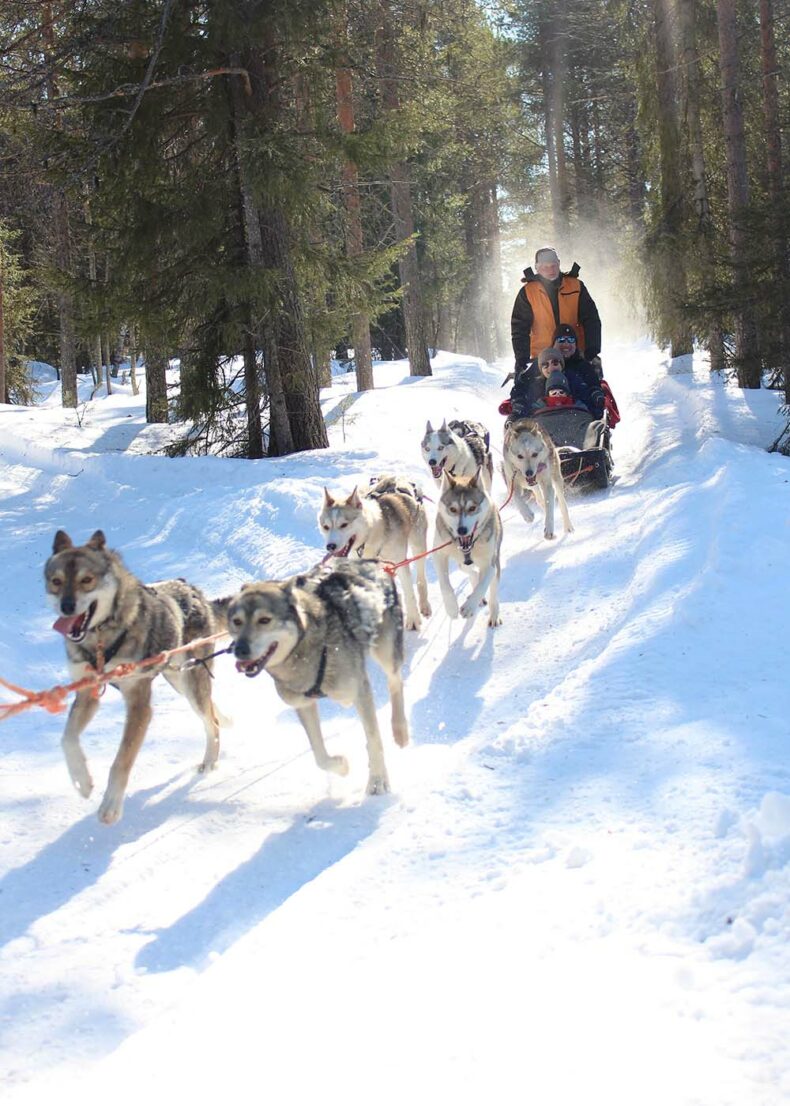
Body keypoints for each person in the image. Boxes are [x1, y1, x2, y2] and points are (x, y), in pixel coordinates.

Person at [510, 246, 602, 376]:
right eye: (545, 267)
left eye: (553, 266)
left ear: (559, 264)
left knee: (587, 390)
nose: (550, 270)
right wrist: (521, 360)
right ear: (537, 268)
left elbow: (591, 320)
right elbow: (519, 329)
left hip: (576, 355)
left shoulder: (576, 286)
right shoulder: (528, 292)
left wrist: (592, 350)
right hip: (543, 359)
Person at [551, 323, 605, 418]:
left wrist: (596, 397)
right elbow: (526, 387)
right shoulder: (544, 363)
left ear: (576, 345)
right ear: (553, 343)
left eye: (571, 340)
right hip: (546, 420)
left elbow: (594, 386)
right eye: (561, 340)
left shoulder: (584, 366)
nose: (566, 344)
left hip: (579, 419)